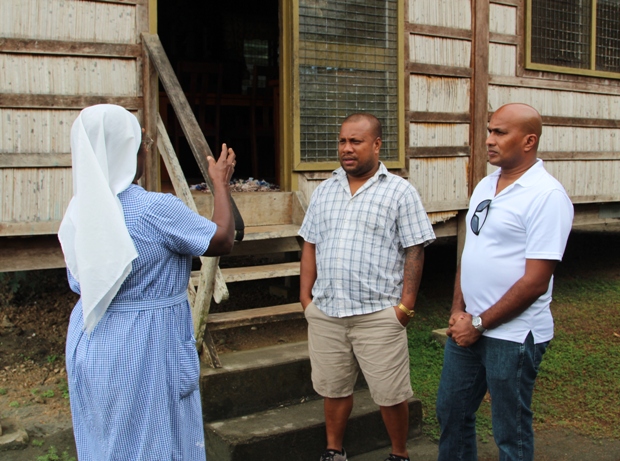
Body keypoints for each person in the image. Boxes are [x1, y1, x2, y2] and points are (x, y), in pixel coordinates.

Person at [58, 104, 236, 461]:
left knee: (105, 438)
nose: (144, 152)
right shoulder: (153, 209)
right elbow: (221, 240)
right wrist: (220, 185)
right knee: (153, 439)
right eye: (140, 145)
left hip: (93, 339)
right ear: (125, 150)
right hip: (146, 341)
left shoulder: (79, 211)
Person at [436, 103, 574, 461]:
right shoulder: (485, 184)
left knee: (509, 431)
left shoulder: (547, 196)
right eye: (490, 131)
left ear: (529, 141)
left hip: (512, 336)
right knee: (452, 412)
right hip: (468, 327)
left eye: (500, 132)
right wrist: (457, 310)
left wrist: (479, 324)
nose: (489, 140)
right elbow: (471, 253)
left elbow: (536, 282)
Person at [299, 113, 436, 461]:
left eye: (356, 141)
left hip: (378, 313)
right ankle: (334, 451)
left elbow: (414, 248)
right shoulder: (324, 190)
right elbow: (310, 244)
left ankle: (399, 454)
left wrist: (405, 306)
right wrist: (306, 299)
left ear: (376, 145)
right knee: (333, 387)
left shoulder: (400, 192)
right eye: (343, 141)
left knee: (390, 393)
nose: (347, 149)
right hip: (327, 311)